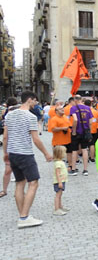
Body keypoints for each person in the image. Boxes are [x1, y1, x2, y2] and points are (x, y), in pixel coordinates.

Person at [3, 91, 53, 228]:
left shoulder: (9, 114)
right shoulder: (31, 117)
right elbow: (36, 139)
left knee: (20, 183)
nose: (36, 103)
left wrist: (5, 152)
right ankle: (24, 218)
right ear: (30, 100)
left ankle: (23, 215)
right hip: (25, 154)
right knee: (34, 183)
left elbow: (5, 136)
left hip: (13, 153)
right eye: (35, 101)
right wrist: (46, 154)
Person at [0, 97, 19, 198]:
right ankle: (18, 191)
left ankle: (4, 190)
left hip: (13, 147)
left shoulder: (8, 116)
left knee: (8, 170)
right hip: (19, 147)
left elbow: (5, 137)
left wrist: (5, 152)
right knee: (19, 170)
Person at [70, 95, 93, 176]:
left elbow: (75, 119)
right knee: (84, 149)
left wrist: (74, 131)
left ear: (75, 100)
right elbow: (90, 122)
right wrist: (89, 131)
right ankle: (85, 169)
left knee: (74, 150)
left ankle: (73, 169)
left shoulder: (73, 108)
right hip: (85, 131)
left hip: (77, 131)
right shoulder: (88, 108)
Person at [48, 105, 73, 173]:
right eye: (60, 109)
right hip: (59, 141)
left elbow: (69, 125)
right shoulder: (54, 119)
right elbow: (53, 129)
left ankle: (70, 167)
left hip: (68, 139)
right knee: (59, 156)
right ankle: (59, 170)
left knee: (69, 153)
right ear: (56, 111)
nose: (62, 110)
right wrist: (62, 128)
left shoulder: (65, 117)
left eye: (62, 109)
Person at [52, 145, 69, 216]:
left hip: (62, 180)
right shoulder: (58, 163)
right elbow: (57, 173)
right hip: (59, 181)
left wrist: (66, 170)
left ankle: (60, 206)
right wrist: (59, 182)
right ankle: (56, 209)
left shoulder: (60, 162)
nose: (65, 154)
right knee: (58, 195)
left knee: (60, 194)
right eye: (64, 152)